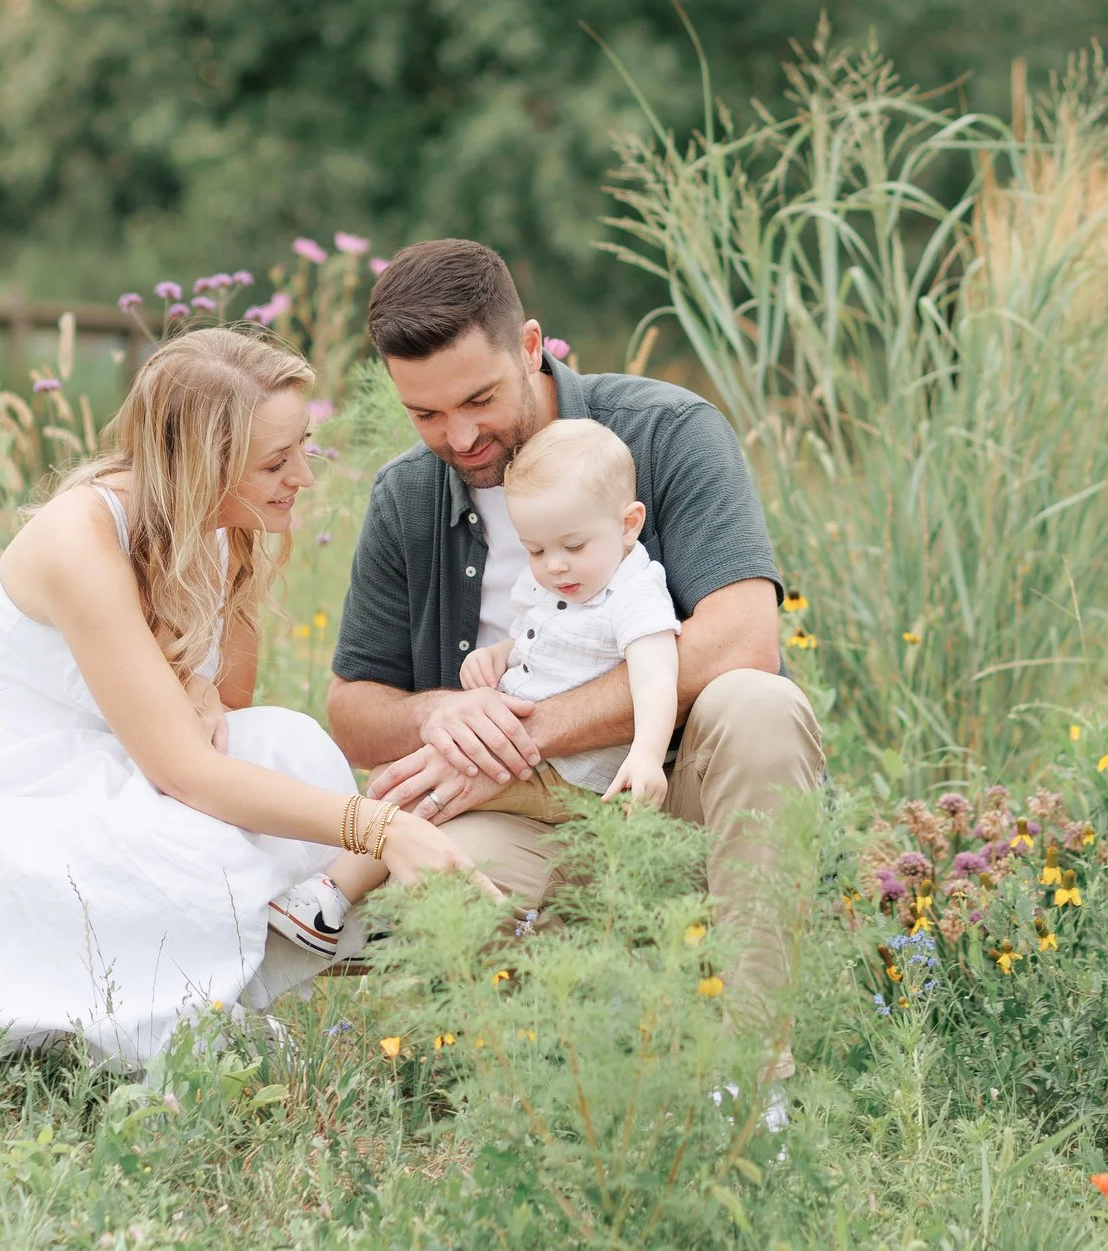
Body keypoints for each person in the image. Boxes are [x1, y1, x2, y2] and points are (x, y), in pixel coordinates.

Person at [0, 328, 488, 1066]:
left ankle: (212, 974)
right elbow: (185, 771)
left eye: (302, 448)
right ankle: (168, 1014)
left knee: (289, 745)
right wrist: (380, 828)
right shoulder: (80, 538)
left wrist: (197, 682)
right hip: (8, 796)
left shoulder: (222, 524)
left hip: (122, 769)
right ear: (199, 466)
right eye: (275, 463)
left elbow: (231, 710)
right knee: (194, 837)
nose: (303, 478)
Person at [328, 238, 826, 1091]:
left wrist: (526, 736)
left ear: (530, 346)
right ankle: (573, 1058)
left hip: (670, 793)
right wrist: (439, 715)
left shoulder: (668, 433)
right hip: (526, 817)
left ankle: (752, 1079)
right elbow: (351, 707)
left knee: (759, 704)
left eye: (479, 398)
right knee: (434, 900)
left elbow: (744, 640)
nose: (460, 435)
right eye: (426, 414)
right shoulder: (406, 496)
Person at [456, 417, 680, 815]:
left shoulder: (635, 593)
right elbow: (534, 637)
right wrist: (497, 655)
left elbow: (656, 679)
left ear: (629, 525)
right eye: (535, 550)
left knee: (423, 799)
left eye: (574, 546)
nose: (554, 566)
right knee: (403, 780)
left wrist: (647, 755)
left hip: (575, 777)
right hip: (529, 754)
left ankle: (353, 857)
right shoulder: (550, 582)